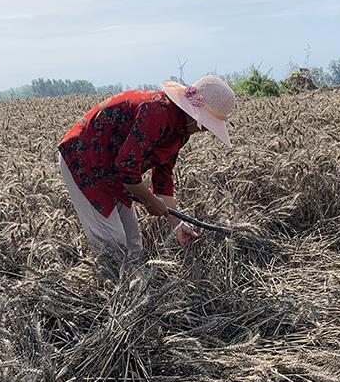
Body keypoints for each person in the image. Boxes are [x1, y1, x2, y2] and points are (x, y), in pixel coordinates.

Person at [56, 75, 236, 255]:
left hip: (114, 170)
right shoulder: (157, 112)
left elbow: (163, 177)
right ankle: (110, 282)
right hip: (84, 161)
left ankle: (132, 280)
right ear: (193, 113)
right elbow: (126, 167)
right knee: (112, 243)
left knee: (132, 241)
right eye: (206, 125)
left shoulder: (181, 130)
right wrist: (150, 201)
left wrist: (177, 223)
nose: (205, 130)